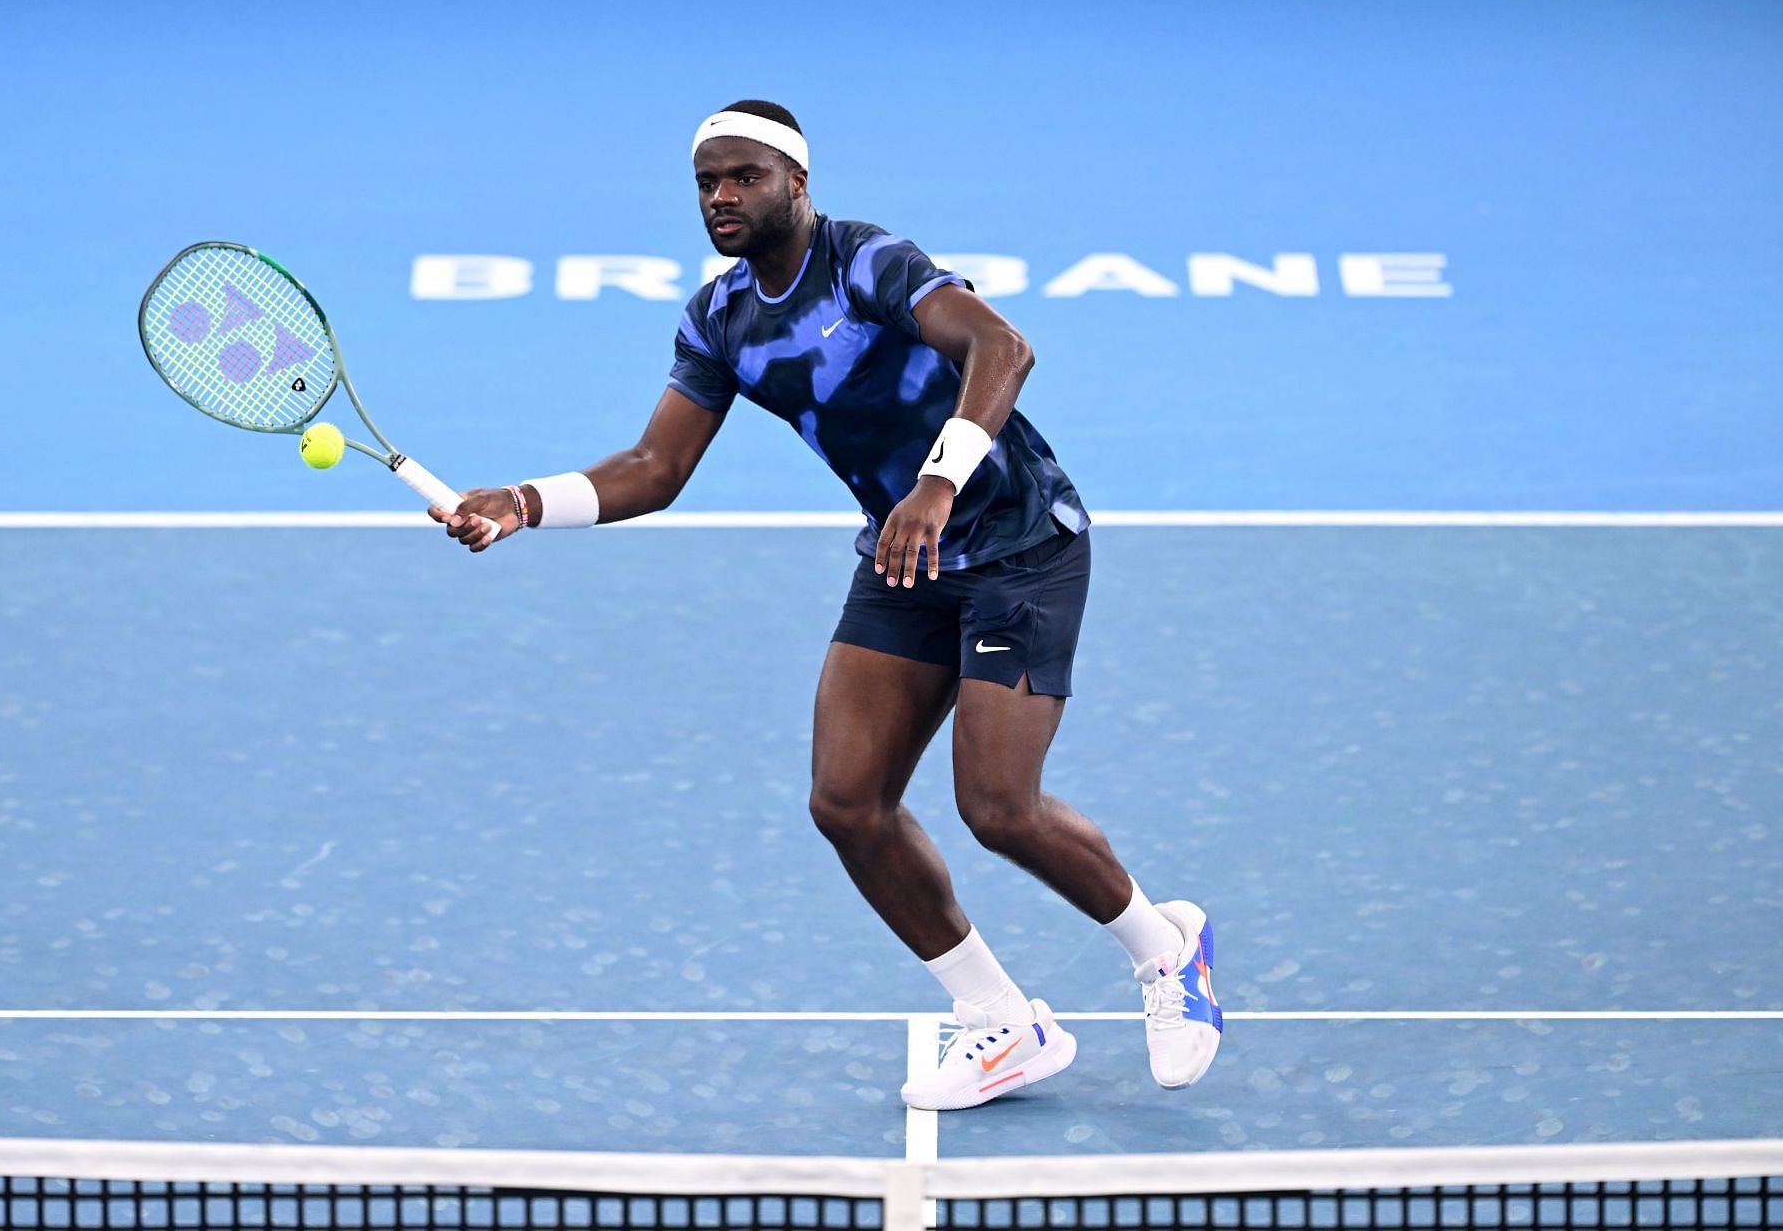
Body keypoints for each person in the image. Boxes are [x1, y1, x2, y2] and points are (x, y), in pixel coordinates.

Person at [431, 100, 1222, 1109]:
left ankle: (1167, 949)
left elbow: (1004, 348)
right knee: (847, 802)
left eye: (744, 177)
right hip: (904, 559)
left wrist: (938, 480)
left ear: (796, 184)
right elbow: (654, 467)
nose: (721, 196)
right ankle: (1000, 1021)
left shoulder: (869, 264)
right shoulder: (720, 319)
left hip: (1019, 546)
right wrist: (527, 502)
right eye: (707, 182)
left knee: (997, 806)